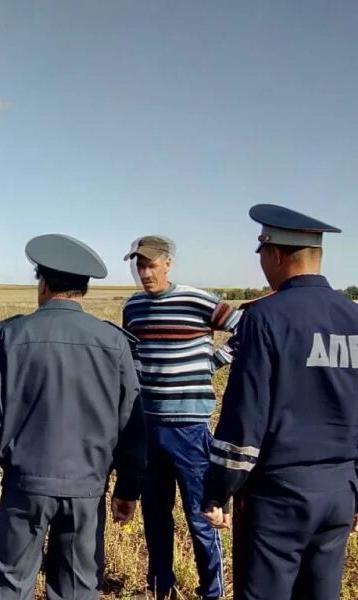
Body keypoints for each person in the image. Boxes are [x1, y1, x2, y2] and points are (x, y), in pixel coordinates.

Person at [0, 233, 146, 600]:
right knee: (78, 588)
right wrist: (128, 487)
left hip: (25, 487)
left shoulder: (13, 336)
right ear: (83, 289)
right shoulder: (113, 342)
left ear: (43, 283)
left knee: (12, 584)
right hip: (87, 490)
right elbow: (131, 422)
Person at [202, 203, 358, 600]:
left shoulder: (265, 318)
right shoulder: (353, 318)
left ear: (274, 254)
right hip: (340, 488)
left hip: (279, 493)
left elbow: (244, 419)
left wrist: (219, 489)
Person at [121, 235, 239, 600]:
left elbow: (246, 330)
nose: (145, 272)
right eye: (139, 265)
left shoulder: (196, 300)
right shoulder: (134, 307)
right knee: (155, 516)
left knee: (201, 516)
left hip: (189, 428)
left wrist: (213, 362)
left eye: (151, 265)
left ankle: (212, 592)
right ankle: (160, 589)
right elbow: (132, 356)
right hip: (148, 427)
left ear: (168, 263)